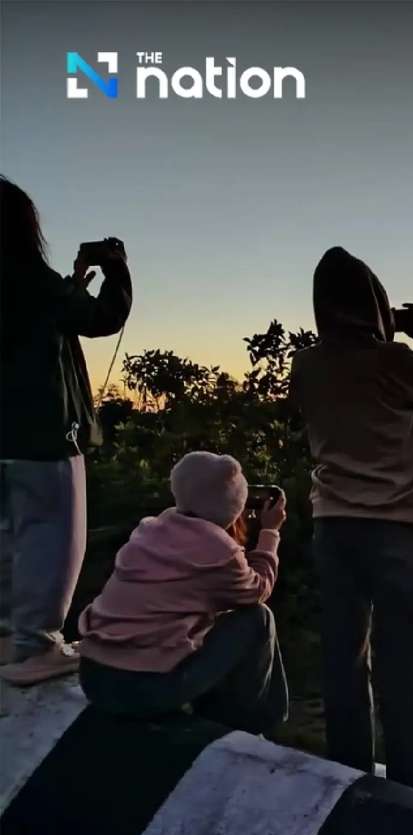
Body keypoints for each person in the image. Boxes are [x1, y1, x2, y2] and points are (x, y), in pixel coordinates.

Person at [289, 246, 413, 793]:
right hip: (395, 526)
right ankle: (409, 783)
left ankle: (350, 772)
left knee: (343, 655)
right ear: (375, 302)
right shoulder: (393, 360)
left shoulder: (307, 364)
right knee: (402, 662)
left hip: (332, 523)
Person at [0, 177, 133, 686]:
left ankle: (7, 638)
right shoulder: (32, 280)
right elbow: (101, 317)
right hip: (43, 434)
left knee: (7, 539)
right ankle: (36, 647)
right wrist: (117, 268)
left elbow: (43, 319)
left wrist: (73, 281)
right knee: (52, 541)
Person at [76, 452, 289, 734]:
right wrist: (270, 533)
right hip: (140, 692)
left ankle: (262, 718)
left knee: (206, 622)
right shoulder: (220, 551)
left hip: (92, 677)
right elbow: (259, 589)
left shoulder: (148, 531)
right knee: (258, 618)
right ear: (235, 505)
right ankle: (248, 725)